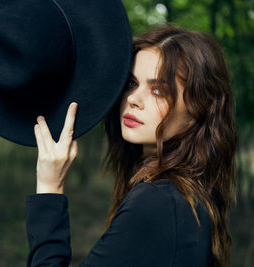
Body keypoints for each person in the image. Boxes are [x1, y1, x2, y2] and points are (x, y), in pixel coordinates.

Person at [26, 23, 237, 267]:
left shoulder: (158, 202)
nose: (134, 99)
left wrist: (50, 188)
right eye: (132, 83)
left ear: (196, 111)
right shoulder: (185, 193)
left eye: (158, 90)